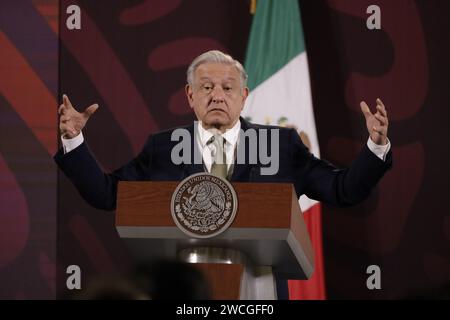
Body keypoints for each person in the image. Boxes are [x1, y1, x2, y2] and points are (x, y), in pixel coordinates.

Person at [55, 50, 392, 298]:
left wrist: (375, 147)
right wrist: (74, 139)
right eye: (206, 87)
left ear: (243, 97)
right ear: (190, 95)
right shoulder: (163, 147)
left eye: (228, 88)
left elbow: (342, 189)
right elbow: (107, 194)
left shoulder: (281, 144)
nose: (217, 94)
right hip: (182, 292)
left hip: (260, 293)